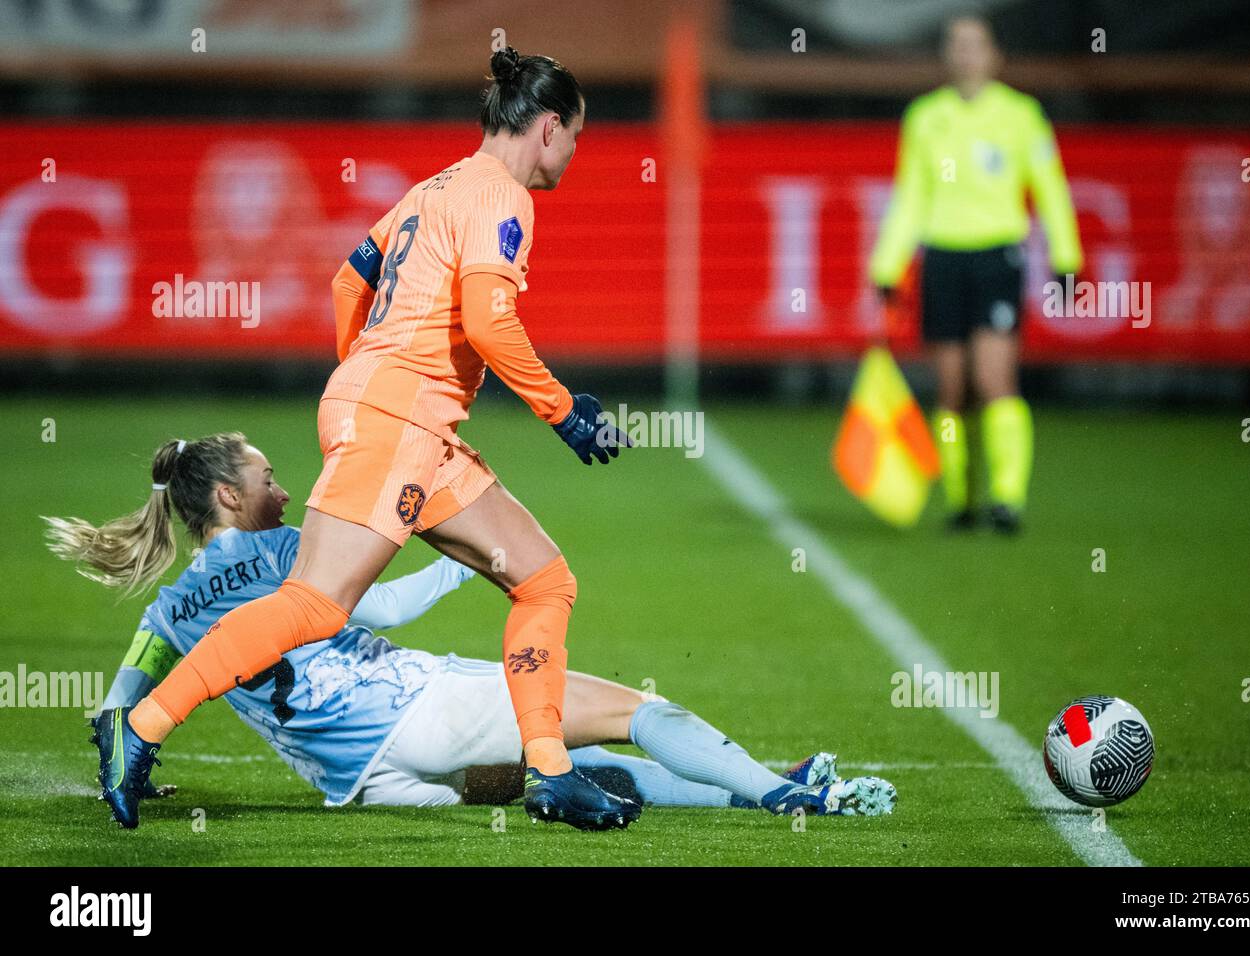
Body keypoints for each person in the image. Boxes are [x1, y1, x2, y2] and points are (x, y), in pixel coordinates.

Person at [85, 47, 641, 831]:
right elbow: (488, 320)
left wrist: (366, 379)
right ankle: (136, 728)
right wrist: (560, 409)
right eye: (576, 136)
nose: (575, 153)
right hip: (398, 419)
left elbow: (350, 279)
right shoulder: (503, 199)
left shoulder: (432, 189)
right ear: (549, 127)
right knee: (313, 604)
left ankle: (550, 772)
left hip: (411, 423)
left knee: (545, 581)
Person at [45, 433, 896, 820]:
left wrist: (118, 725)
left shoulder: (172, 606)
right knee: (641, 711)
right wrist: (473, 555)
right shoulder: (279, 550)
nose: (285, 488)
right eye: (269, 477)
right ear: (229, 496)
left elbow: (133, 675)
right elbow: (375, 608)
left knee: (563, 763)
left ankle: (747, 782)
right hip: (414, 710)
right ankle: (796, 798)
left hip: (359, 780)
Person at [868, 15, 1083, 533]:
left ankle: (1007, 498)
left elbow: (1049, 187)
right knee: (951, 389)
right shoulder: (926, 117)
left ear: (994, 56)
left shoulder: (1020, 115)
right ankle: (961, 498)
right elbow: (911, 196)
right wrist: (887, 263)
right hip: (943, 258)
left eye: (975, 45)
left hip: (996, 257)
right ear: (947, 56)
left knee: (993, 378)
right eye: (956, 45)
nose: (965, 54)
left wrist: (1066, 258)